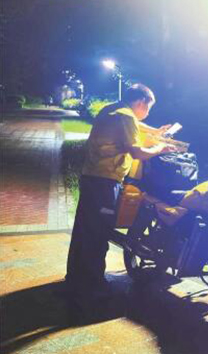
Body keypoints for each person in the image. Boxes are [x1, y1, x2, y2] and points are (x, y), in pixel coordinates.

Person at [65, 84, 175, 305]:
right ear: (141, 102)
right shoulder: (126, 117)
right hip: (105, 181)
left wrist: (155, 132)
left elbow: (137, 125)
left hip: (91, 177)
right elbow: (137, 152)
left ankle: (75, 279)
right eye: (149, 108)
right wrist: (160, 149)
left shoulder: (112, 110)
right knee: (98, 233)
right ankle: (93, 286)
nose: (147, 113)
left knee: (83, 231)